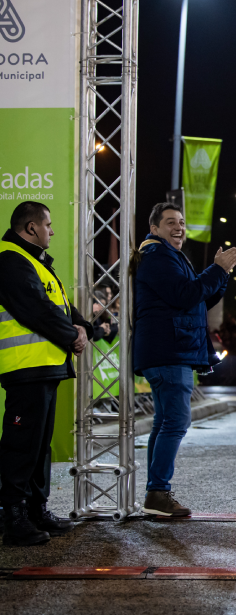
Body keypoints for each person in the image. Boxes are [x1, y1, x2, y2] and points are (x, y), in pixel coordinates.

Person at [133, 202, 236, 517]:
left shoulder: (168, 256)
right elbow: (185, 295)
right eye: (170, 222)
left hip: (170, 351)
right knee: (177, 421)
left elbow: (199, 299)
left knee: (164, 422)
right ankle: (158, 492)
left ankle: (156, 492)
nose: (178, 227)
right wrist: (216, 269)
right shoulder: (156, 257)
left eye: (181, 222)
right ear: (154, 228)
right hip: (168, 352)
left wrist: (222, 273)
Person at [0, 202, 92, 545]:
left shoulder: (33, 261)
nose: (52, 231)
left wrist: (82, 327)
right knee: (22, 445)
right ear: (30, 228)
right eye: (47, 225)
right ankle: (13, 517)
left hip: (44, 366)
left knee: (39, 447)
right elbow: (36, 309)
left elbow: (61, 307)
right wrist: (73, 335)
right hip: (26, 366)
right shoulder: (10, 259)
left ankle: (36, 510)